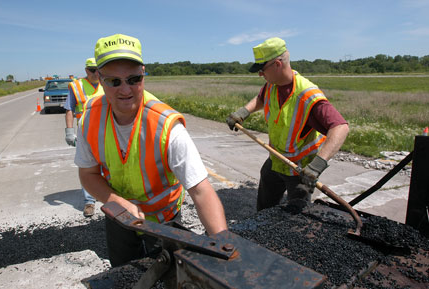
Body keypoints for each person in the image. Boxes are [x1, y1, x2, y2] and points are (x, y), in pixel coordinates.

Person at [75, 34, 228, 268]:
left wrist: (223, 247)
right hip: (119, 217)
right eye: (114, 81)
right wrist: (116, 201)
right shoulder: (89, 120)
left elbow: (200, 190)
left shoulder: (166, 126)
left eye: (133, 79)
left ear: (143, 74)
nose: (125, 89)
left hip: (163, 222)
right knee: (124, 273)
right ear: (100, 80)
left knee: (164, 275)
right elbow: (88, 175)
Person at [226, 37, 349, 212]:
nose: (260, 74)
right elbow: (261, 98)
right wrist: (243, 112)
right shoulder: (271, 85)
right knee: (264, 208)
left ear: (277, 64)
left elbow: (340, 127)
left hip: (300, 170)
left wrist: (317, 165)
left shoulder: (307, 95)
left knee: (296, 217)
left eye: (262, 69)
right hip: (276, 159)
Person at [64, 57, 105, 217]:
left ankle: (111, 195)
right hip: (85, 133)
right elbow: (69, 109)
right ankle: (89, 201)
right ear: (86, 70)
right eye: (92, 70)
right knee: (88, 166)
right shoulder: (77, 86)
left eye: (98, 70)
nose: (96, 73)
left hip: (106, 130)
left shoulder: (107, 82)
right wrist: (69, 131)